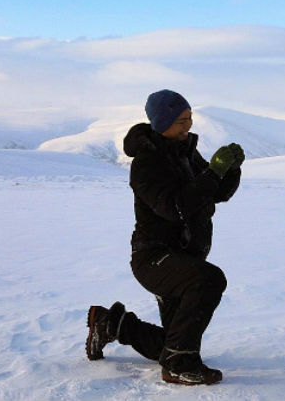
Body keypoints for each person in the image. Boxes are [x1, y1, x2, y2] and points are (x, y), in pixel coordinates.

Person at [86, 89, 244, 385]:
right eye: (182, 120)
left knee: (174, 340)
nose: (189, 125)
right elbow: (176, 208)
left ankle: (114, 324)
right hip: (154, 258)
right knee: (208, 281)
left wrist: (230, 170)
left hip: (183, 256)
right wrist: (214, 173)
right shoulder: (146, 163)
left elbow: (217, 193)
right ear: (162, 122)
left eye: (190, 118)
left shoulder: (184, 150)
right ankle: (178, 366)